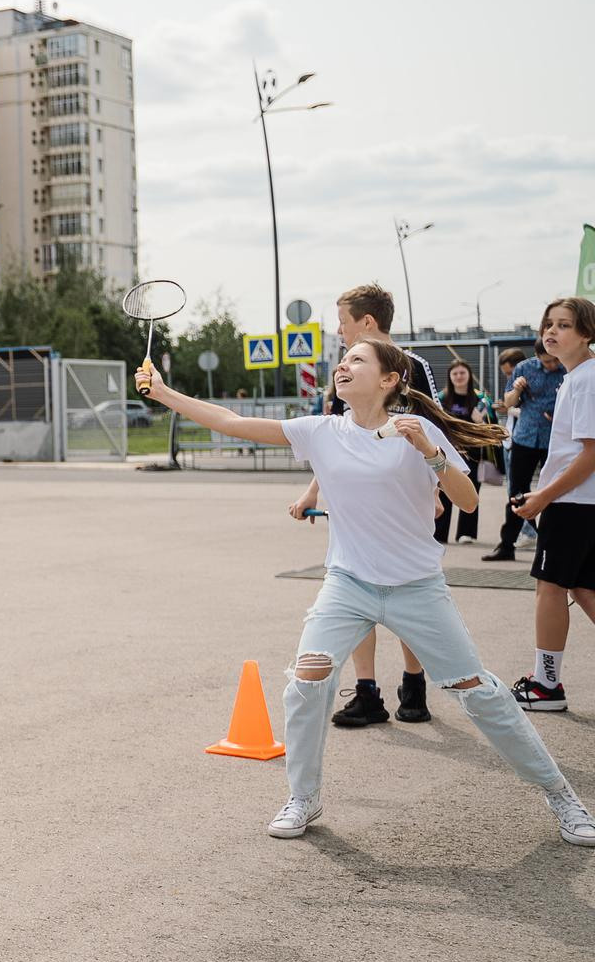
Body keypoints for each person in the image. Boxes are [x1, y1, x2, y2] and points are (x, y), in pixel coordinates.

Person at [136, 343, 593, 849]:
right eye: (342, 360)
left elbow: (466, 501)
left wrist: (430, 451)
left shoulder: (415, 433)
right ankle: (303, 796)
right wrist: (162, 392)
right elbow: (229, 420)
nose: (343, 367)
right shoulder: (322, 430)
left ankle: (559, 793)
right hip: (347, 585)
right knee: (306, 680)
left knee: (479, 693)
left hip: (416, 588)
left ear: (389, 380)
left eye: (357, 361)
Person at [291, 285, 437, 728]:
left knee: (407, 586)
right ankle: (368, 690)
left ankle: (414, 684)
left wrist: (435, 490)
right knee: (356, 583)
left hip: (403, 496)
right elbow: (338, 438)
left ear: (367, 323)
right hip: (354, 495)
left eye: (344, 321)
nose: (339, 330)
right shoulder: (347, 372)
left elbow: (433, 430)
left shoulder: (413, 368)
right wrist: (314, 491)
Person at [507, 297, 595, 711]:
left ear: (587, 333)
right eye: (549, 324)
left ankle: (546, 686)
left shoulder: (586, 379)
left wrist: (544, 495)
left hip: (573, 502)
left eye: (563, 325)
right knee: (583, 586)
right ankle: (546, 682)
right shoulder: (576, 377)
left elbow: (591, 454)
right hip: (576, 500)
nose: (552, 332)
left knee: (549, 586)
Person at [484, 340, 565, 561]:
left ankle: (553, 546)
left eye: (555, 360)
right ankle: (507, 545)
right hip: (526, 438)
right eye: (547, 361)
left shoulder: (568, 367)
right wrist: (518, 388)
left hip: (556, 441)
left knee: (555, 493)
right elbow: (508, 402)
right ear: (538, 357)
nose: (552, 365)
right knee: (516, 492)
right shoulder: (524, 368)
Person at [432, 361, 485, 545]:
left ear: (469, 375)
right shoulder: (441, 398)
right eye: (455, 373)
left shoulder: (480, 398)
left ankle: (466, 532)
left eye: (463, 372)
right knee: (444, 488)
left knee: (470, 489)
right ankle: (440, 532)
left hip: (472, 452)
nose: (459, 376)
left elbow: (488, 426)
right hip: (448, 450)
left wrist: (480, 422)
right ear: (450, 376)